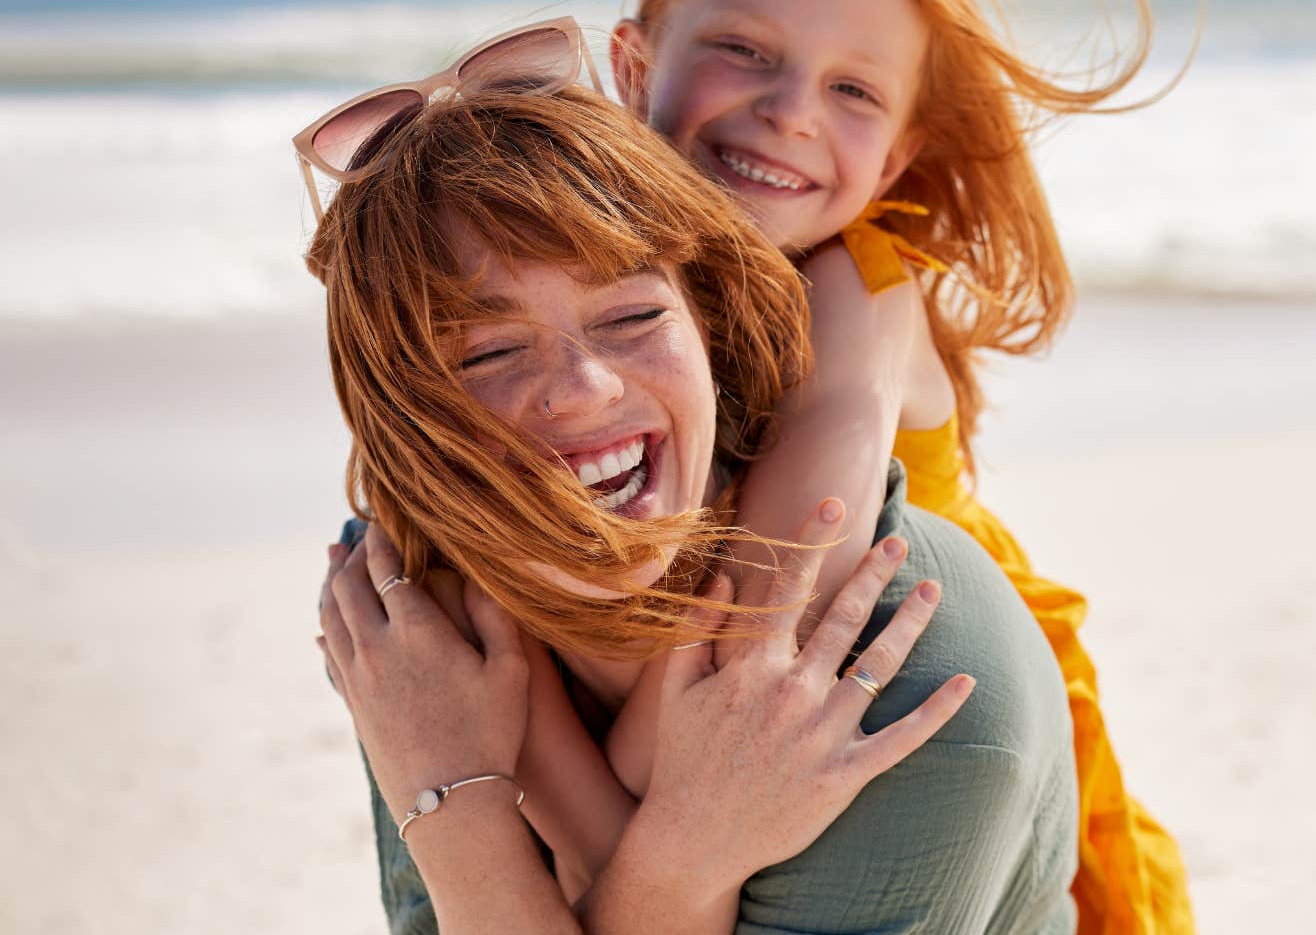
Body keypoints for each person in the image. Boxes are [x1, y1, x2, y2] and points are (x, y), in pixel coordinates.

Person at [300, 70, 1077, 931]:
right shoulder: (415, 648)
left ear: (707, 328)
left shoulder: (909, 690)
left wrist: (464, 813)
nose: (584, 389)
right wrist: (490, 821)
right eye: (486, 354)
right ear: (401, 421)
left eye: (631, 316)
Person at [606, 0, 1192, 930]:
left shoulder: (862, 290)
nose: (789, 112)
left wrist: (587, 790)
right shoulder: (603, 290)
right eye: (743, 49)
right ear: (631, 61)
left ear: (897, 158)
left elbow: (784, 585)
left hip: (938, 724)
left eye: (855, 90)